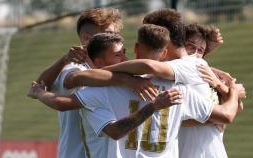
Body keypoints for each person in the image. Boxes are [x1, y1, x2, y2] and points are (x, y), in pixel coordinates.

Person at [29, 24, 244, 158]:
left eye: (124, 53)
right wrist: (231, 91)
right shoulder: (176, 88)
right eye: (118, 55)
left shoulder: (105, 90)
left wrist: (39, 93)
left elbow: (62, 101)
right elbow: (226, 114)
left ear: (135, 49)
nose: (124, 58)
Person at [28, 8, 157, 158]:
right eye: (109, 34)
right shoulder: (74, 67)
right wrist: (127, 80)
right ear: (87, 39)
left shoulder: (119, 66)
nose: (115, 38)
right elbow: (70, 79)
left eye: (116, 34)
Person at [178, 23, 244, 158]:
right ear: (179, 45)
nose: (195, 55)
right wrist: (213, 118)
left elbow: (237, 106)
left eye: (201, 50)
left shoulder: (208, 77)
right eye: (190, 46)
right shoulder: (171, 77)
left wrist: (219, 84)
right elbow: (174, 119)